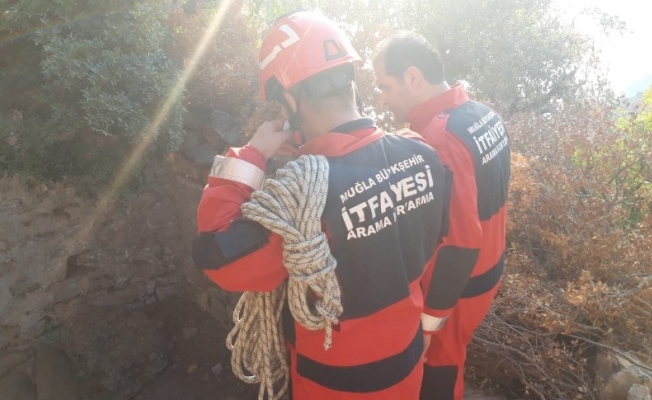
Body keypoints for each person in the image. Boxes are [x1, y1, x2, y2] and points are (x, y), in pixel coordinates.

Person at [192, 12, 448, 399]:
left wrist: (253, 154)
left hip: (335, 382)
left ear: (289, 99)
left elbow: (216, 254)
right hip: (406, 364)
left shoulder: (302, 202)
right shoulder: (422, 153)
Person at [372, 32, 511, 400]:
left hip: (458, 286)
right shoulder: (483, 115)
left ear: (412, 77)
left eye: (385, 86)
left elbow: (457, 244)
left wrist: (429, 324)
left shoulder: (441, 140)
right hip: (490, 266)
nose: (383, 99)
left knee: (439, 370)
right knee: (453, 358)